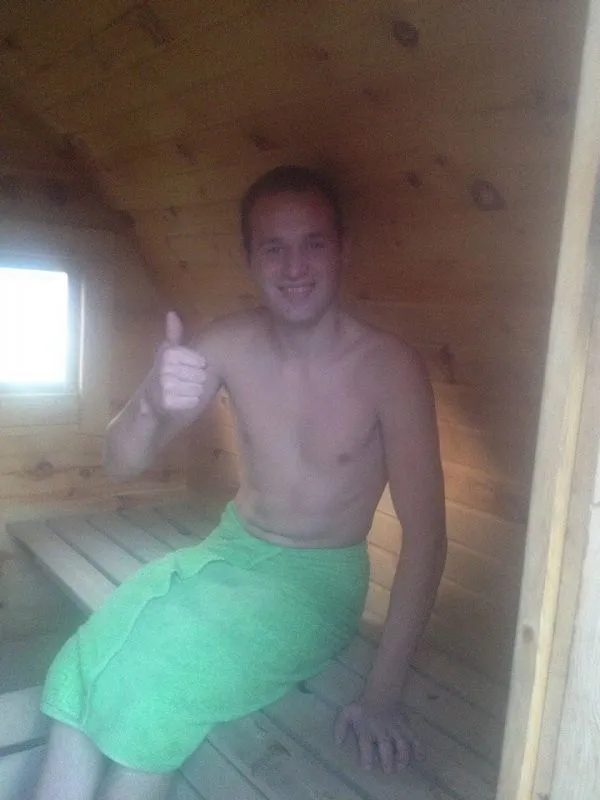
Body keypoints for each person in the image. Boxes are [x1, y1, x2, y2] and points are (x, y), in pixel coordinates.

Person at [34, 166, 447, 800]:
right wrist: (149, 403)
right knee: (82, 664)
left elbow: (427, 539)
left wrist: (383, 696)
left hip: (315, 583)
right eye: (273, 248)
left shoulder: (389, 369)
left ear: (343, 248)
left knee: (158, 692)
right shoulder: (229, 343)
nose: (294, 266)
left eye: (312, 243)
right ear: (250, 259)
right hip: (225, 553)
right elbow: (121, 465)